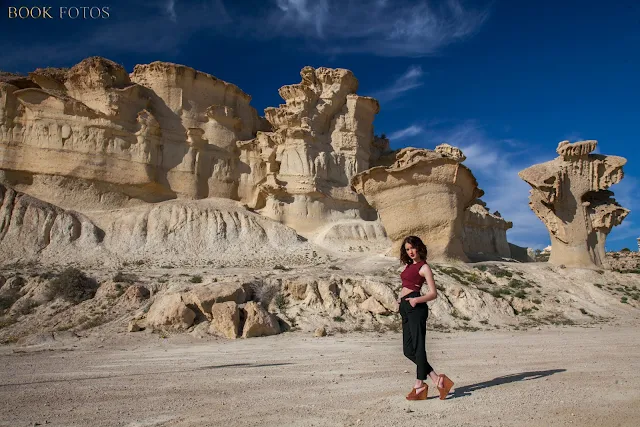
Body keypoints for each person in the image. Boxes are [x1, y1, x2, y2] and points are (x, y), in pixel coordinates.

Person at [397, 235, 454, 401]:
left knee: (418, 348)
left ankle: (419, 385)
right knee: (408, 350)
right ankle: (437, 379)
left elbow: (433, 293)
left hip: (416, 308)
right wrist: (399, 300)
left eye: (412, 248)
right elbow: (405, 286)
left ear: (419, 247)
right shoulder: (408, 266)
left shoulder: (424, 267)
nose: (410, 252)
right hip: (405, 308)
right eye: (407, 249)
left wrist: (416, 299)